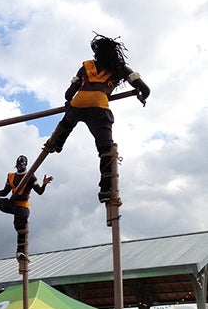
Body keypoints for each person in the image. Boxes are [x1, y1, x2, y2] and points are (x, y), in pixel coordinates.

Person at [42, 33, 150, 203]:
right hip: (99, 107)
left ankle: (57, 142)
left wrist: (69, 105)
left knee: (67, 121)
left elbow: (68, 94)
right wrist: (141, 96)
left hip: (78, 103)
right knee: (105, 149)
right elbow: (145, 88)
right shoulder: (119, 67)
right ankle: (105, 190)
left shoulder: (86, 66)